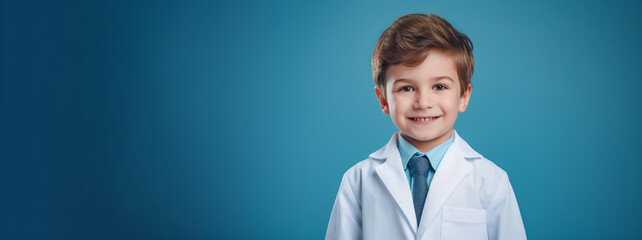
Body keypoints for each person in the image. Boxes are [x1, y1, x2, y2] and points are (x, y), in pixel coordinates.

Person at [325, 14, 527, 240]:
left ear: (463, 96)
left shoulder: (491, 181)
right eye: (406, 88)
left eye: (439, 86)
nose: (423, 102)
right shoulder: (358, 181)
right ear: (383, 100)